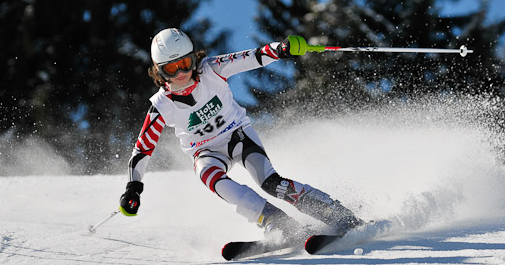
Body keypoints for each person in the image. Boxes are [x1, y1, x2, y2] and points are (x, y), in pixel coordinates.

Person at [119, 28, 362, 244]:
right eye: (172, 68)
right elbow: (142, 150)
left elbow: (252, 57)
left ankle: (335, 213)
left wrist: (282, 49)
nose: (182, 72)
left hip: (238, 136)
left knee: (270, 182)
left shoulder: (212, 70)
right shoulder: (161, 105)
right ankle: (277, 222)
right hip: (206, 152)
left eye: (186, 63)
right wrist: (133, 187)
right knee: (214, 180)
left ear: (195, 58)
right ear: (160, 71)